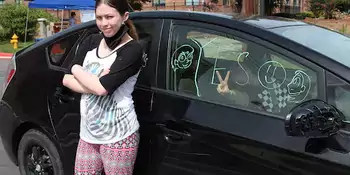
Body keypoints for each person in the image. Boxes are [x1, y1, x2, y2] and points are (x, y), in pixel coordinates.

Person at [62, 0, 144, 174]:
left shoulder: (132, 50)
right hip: (88, 134)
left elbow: (101, 89)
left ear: (124, 16)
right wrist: (90, 78)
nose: (104, 23)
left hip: (119, 136)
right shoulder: (91, 40)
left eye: (110, 17)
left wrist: (80, 73)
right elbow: (66, 79)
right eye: (99, 17)